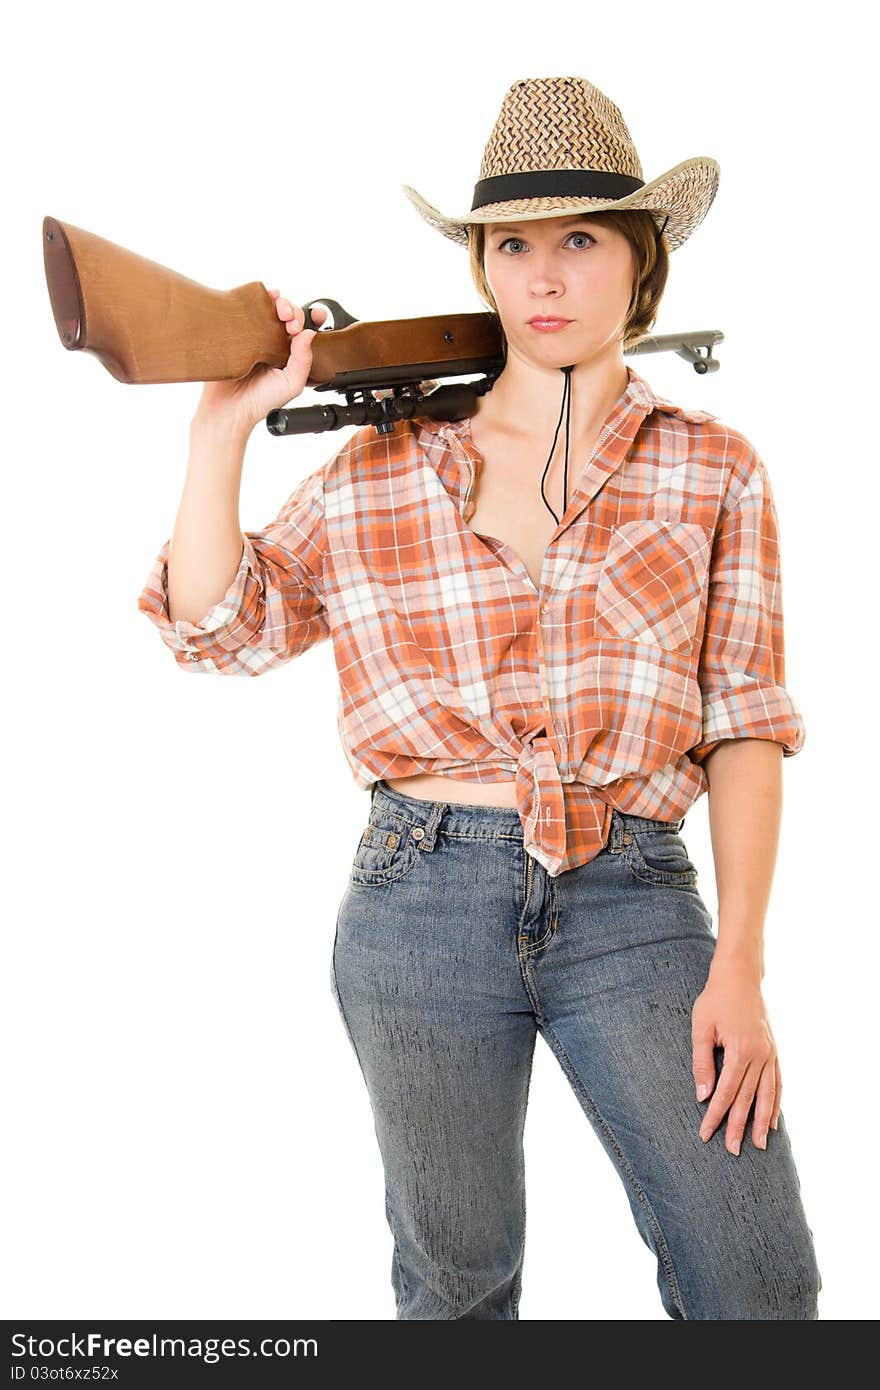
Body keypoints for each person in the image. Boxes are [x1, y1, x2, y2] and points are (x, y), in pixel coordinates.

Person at [137, 76, 822, 1319]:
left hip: (634, 894)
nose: (544, 276)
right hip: (418, 898)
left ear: (639, 262)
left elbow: (746, 724)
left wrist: (741, 964)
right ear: (481, 264)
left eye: (580, 240)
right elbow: (221, 632)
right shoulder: (382, 461)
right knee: (454, 1285)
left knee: (758, 1279)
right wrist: (219, 437)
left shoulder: (712, 466)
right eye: (513, 244)